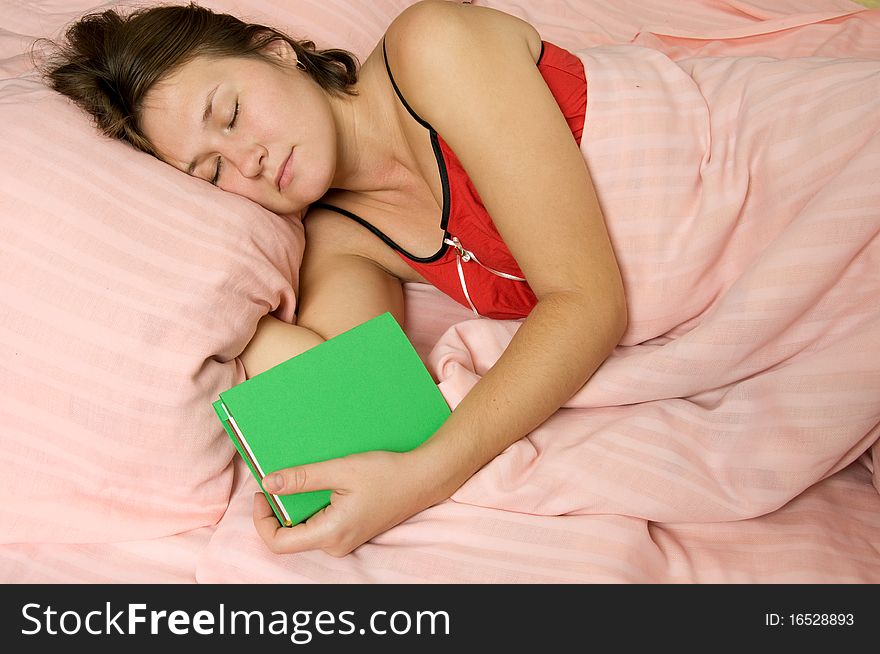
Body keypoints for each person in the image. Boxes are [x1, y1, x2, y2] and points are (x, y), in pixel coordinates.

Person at [43, 0, 627, 556]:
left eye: (231, 114)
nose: (248, 161)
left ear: (274, 51)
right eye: (213, 171)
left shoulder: (432, 46)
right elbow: (345, 418)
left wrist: (421, 478)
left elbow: (586, 301)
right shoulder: (341, 239)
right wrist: (221, 308)